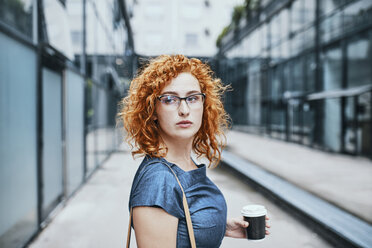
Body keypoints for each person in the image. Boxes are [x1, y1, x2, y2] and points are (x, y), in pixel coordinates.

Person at [118, 54, 270, 247]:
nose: (184, 109)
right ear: (153, 110)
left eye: (192, 98)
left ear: (204, 105)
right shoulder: (158, 182)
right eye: (169, 99)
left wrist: (218, 227)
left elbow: (181, 223)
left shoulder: (183, 164)